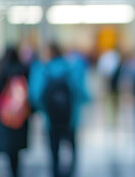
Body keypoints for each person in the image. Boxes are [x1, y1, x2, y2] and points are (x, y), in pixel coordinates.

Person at [29, 42, 90, 177]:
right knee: (71, 146)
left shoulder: (43, 69)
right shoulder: (70, 67)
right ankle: (71, 171)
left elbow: (36, 94)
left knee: (53, 149)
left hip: (51, 119)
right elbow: (80, 91)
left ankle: (56, 172)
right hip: (71, 117)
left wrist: (44, 108)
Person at [0, 46, 30, 177]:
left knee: (9, 150)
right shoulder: (24, 70)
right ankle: (16, 171)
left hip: (3, 118)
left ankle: (13, 172)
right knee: (17, 151)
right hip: (21, 118)